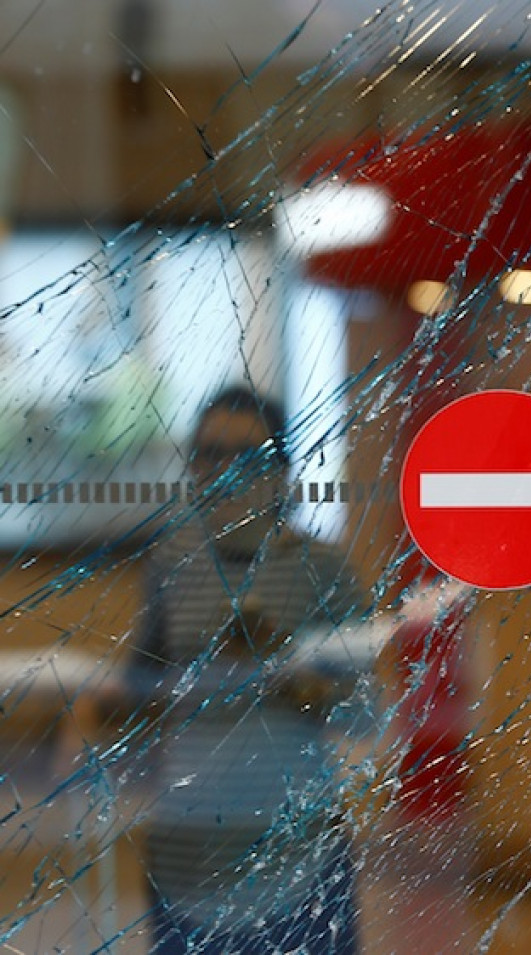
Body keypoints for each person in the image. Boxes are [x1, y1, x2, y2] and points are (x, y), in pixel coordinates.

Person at [130, 386, 365, 954]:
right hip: (187, 861)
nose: (226, 472)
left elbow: (367, 717)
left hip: (300, 862)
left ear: (281, 471)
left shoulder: (325, 570)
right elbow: (136, 704)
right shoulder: (168, 566)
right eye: (210, 454)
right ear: (192, 469)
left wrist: (285, 669)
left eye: (247, 456)